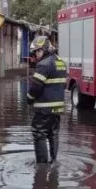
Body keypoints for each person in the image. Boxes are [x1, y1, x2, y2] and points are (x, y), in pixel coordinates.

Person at [25, 35, 68, 164]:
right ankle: (54, 162)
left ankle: (42, 165)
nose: (36, 54)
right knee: (53, 133)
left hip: (44, 108)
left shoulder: (43, 64)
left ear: (45, 49)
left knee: (39, 134)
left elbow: (36, 87)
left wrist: (29, 99)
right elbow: (63, 84)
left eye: (38, 51)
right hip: (57, 109)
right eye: (35, 52)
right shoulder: (60, 61)